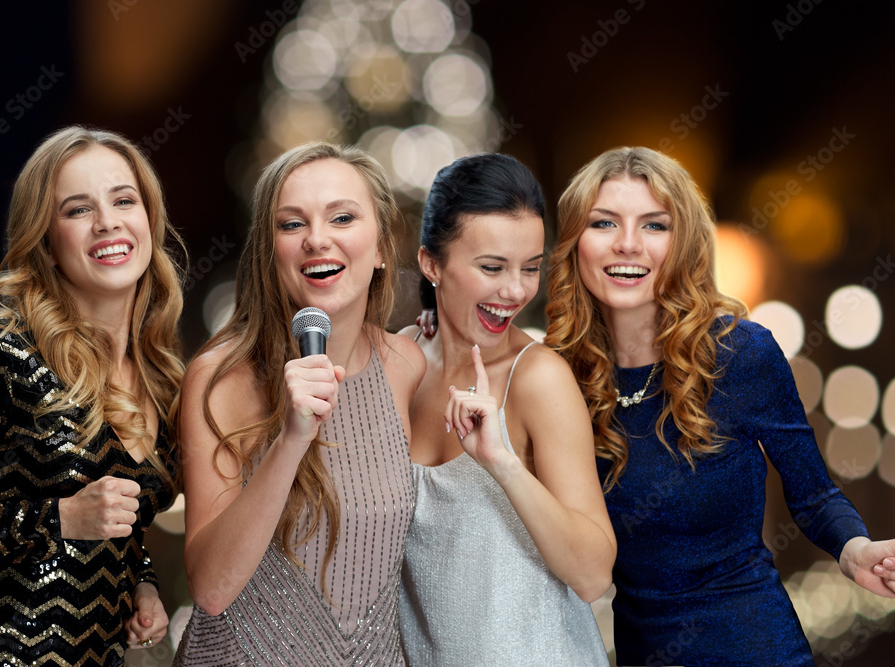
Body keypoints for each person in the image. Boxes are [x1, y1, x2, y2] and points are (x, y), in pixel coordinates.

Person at [541, 146, 895, 666]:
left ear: (682, 243)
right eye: (604, 223)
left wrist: (856, 550)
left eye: (654, 226)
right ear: (575, 243)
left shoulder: (742, 354)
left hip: (757, 648)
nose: (628, 244)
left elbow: (814, 496)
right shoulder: (557, 376)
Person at [0, 125, 186, 665]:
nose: (107, 221)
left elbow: (117, 524)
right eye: (77, 210)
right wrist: (57, 518)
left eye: (124, 200)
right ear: (47, 243)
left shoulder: (159, 374)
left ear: (148, 219)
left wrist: (141, 581)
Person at [172, 142, 425, 666]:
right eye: (291, 225)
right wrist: (291, 439)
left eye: (342, 217)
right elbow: (212, 589)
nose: (316, 239)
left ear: (380, 247)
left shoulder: (407, 364)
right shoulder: (223, 379)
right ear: (271, 252)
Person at [398, 153, 615, 665]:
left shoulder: (539, 378)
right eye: (492, 267)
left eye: (530, 268)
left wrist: (503, 463)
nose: (515, 290)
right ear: (432, 264)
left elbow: (592, 575)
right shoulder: (396, 361)